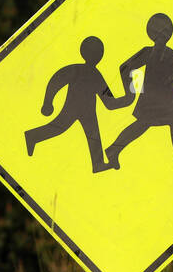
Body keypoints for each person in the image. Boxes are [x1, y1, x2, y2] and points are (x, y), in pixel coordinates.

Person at [103, 13, 173, 179]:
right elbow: (126, 68)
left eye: (165, 32)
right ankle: (113, 149)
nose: (162, 36)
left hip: (168, 102)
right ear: (153, 34)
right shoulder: (151, 53)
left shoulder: (170, 56)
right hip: (156, 100)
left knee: (168, 127)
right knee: (144, 125)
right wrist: (134, 90)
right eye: (159, 32)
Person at [24, 36, 134, 171]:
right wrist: (47, 102)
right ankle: (32, 136)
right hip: (74, 108)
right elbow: (57, 80)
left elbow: (109, 103)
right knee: (62, 128)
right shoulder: (84, 72)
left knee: (90, 134)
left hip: (87, 111)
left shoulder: (90, 73)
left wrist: (130, 97)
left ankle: (98, 163)